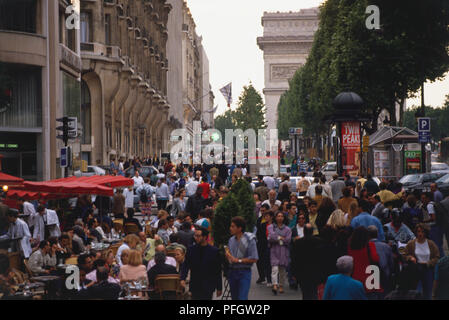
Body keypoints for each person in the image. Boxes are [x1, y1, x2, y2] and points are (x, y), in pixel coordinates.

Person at [180, 227, 222, 300]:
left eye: (198, 236)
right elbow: (186, 264)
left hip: (208, 285)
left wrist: (219, 287)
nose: (196, 238)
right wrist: (182, 278)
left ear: (205, 237)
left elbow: (217, 270)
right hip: (195, 284)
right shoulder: (191, 249)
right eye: (195, 235)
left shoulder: (214, 251)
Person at [404, 223, 440, 300]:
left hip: (427, 268)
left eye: (422, 232)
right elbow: (405, 254)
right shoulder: (411, 243)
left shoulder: (431, 244)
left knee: (428, 292)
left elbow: (437, 256)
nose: (420, 234)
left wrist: (430, 263)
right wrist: (410, 258)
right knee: (416, 291)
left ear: (426, 233)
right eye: (418, 231)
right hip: (416, 268)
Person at [226, 216, 258, 300]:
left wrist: (238, 260)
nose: (230, 228)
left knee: (242, 297)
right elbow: (231, 258)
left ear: (239, 228)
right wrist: (228, 256)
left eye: (233, 226)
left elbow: (254, 258)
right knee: (234, 297)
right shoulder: (231, 240)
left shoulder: (250, 239)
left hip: (244, 272)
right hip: (232, 272)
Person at [290, 223, 323, 300]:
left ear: (304, 231)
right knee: (314, 291)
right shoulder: (319, 242)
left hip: (302, 272)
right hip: (315, 271)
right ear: (312, 232)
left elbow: (294, 259)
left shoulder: (298, 243)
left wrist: (294, 273)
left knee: (305, 292)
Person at [347, 226, 381, 298]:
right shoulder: (370, 246)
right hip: (369, 279)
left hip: (354, 278)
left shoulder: (349, 247)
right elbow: (375, 259)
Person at [267, 212, 291, 295]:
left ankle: (281, 285)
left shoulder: (288, 229)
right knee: (274, 269)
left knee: (282, 270)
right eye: (278, 216)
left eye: (281, 216)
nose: (280, 218)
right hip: (274, 250)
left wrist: (277, 238)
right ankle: (274, 285)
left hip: (284, 251)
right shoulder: (271, 227)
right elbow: (271, 237)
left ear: (284, 218)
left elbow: (288, 240)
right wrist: (281, 238)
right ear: (275, 217)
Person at [368, 226, 394, 295]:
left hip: (370, 278)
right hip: (385, 277)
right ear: (377, 234)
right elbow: (391, 264)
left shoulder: (365, 247)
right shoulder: (386, 246)